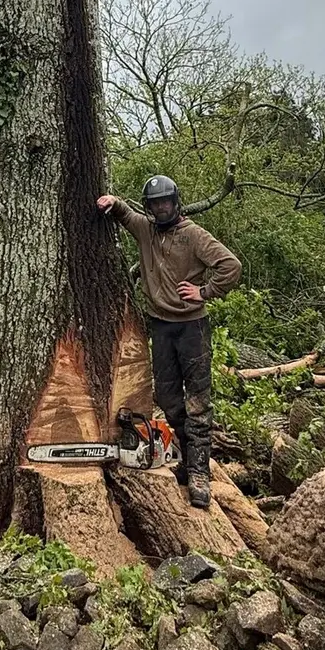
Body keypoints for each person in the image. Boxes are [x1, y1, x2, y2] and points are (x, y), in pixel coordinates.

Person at [97, 176, 241, 510]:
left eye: (165, 202)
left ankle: (200, 474)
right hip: (161, 327)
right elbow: (126, 216)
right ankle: (188, 460)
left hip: (192, 327)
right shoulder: (147, 230)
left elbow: (230, 266)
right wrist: (112, 202)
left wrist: (204, 292)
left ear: (176, 202)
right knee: (168, 398)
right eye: (155, 204)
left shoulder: (193, 235)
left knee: (198, 401)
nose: (161, 208)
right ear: (150, 207)